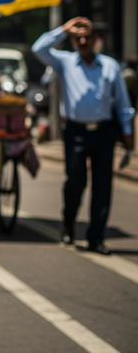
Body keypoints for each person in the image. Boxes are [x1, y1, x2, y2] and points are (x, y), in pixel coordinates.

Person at [32, 17, 135, 255]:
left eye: (86, 36)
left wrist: (128, 132)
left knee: (102, 185)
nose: (82, 41)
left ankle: (96, 237)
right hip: (75, 132)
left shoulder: (109, 66)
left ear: (94, 39)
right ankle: (68, 223)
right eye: (77, 37)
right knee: (74, 183)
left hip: (103, 131)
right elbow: (39, 48)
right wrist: (63, 29)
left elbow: (122, 102)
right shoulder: (65, 62)